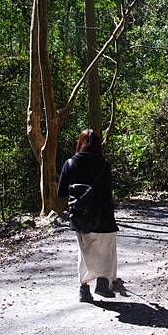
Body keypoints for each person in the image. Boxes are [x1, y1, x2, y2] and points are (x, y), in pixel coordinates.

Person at [57, 129, 118, 303]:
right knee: (107, 251)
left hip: (80, 216)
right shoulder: (104, 164)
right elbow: (108, 191)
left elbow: (61, 192)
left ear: (79, 143)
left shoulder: (70, 163)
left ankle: (84, 289)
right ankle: (103, 284)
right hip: (104, 215)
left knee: (84, 252)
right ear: (99, 145)